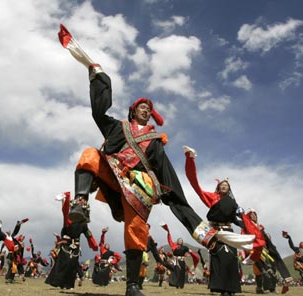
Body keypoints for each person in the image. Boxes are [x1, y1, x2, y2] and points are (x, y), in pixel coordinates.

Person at [58, 25, 254, 296]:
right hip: (113, 178)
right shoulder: (117, 128)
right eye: (142, 106)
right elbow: (98, 111)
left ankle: (133, 286)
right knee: (90, 155)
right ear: (132, 110)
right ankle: (81, 203)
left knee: (136, 229)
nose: (146, 109)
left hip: (138, 188)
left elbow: (171, 186)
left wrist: (202, 231)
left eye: (149, 108)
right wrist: (97, 73)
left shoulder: (155, 143)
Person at [184, 146, 251, 296]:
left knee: (231, 259)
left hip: (229, 232)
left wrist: (245, 224)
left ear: (229, 189)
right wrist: (190, 159)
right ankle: (221, 289)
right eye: (222, 185)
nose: (224, 186)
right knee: (218, 258)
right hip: (215, 232)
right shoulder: (212, 198)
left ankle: (231, 289)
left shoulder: (233, 203)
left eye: (226, 185)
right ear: (218, 188)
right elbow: (196, 186)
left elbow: (236, 219)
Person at [45, 192, 98, 289]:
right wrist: (67, 197)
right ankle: (58, 282)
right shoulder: (69, 219)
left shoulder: (83, 224)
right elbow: (65, 211)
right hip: (66, 245)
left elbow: (88, 234)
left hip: (76, 247)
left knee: (72, 265)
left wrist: (94, 245)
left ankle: (68, 284)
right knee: (63, 263)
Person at [242, 209, 292, 294]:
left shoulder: (260, 227)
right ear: (249, 217)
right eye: (252, 215)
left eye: (255, 214)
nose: (255, 216)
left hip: (265, 251)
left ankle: (271, 289)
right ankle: (259, 288)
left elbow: (265, 239)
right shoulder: (247, 227)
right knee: (261, 271)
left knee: (270, 270)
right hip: (255, 251)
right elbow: (245, 239)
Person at [160, 223, 199, 289]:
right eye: (179, 240)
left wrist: (193, 254)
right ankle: (175, 284)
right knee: (176, 272)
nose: (180, 241)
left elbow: (190, 251)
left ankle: (181, 285)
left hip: (182, 261)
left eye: (181, 240)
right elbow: (169, 239)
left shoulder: (185, 247)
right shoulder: (174, 246)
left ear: (182, 242)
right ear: (177, 241)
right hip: (175, 261)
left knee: (182, 273)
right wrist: (168, 232)